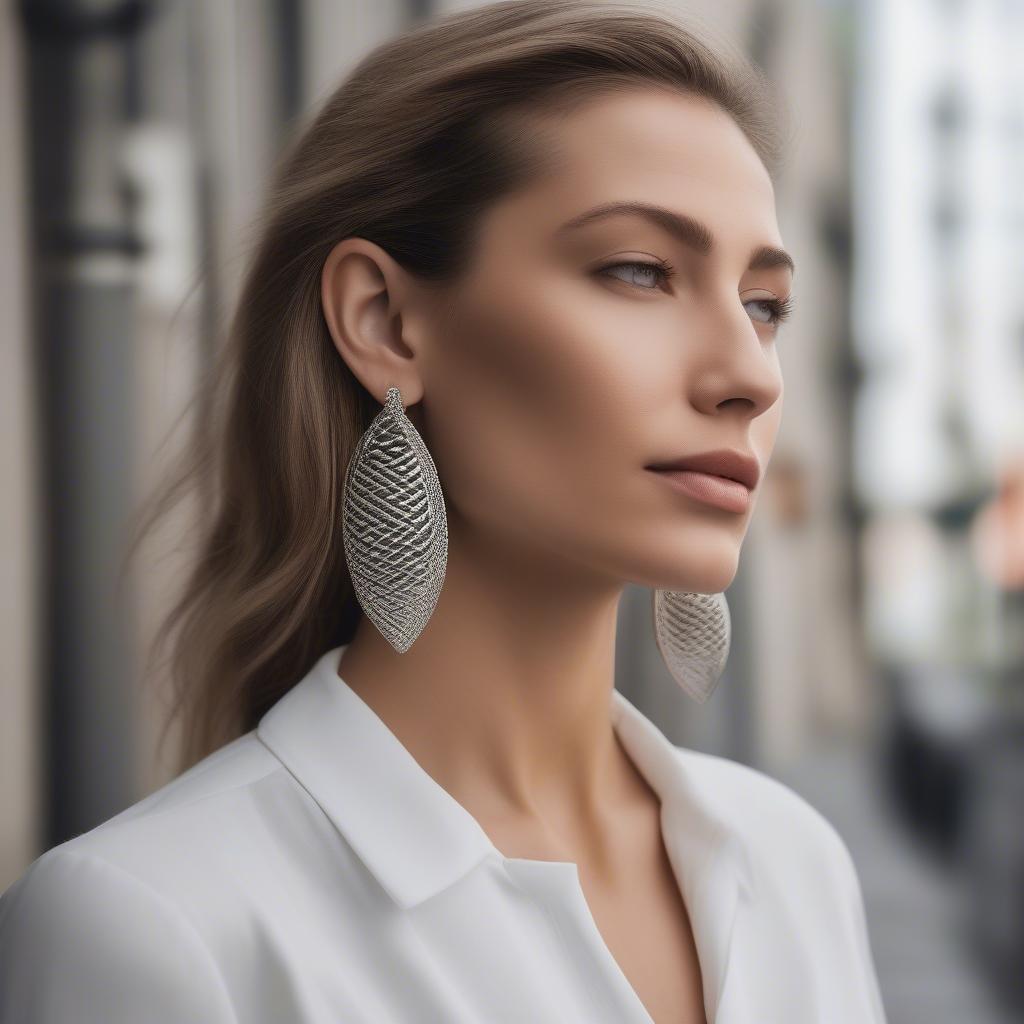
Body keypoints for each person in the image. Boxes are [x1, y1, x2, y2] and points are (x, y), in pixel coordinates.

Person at [0, 2, 887, 1021]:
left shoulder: (791, 858)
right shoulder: (157, 927)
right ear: (384, 321)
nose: (747, 374)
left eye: (763, 305)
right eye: (640, 270)